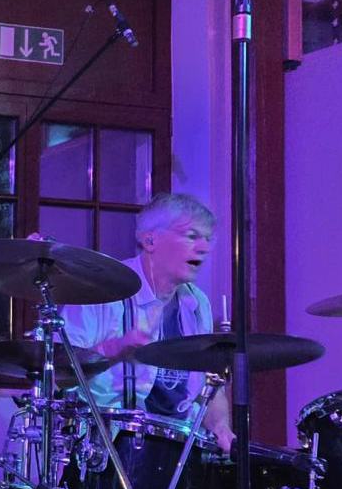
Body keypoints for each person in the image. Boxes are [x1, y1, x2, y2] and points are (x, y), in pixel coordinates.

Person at [62, 193, 235, 450]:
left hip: (177, 452)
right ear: (150, 240)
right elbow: (59, 373)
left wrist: (221, 428)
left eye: (208, 239)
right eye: (191, 236)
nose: (204, 247)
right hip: (105, 449)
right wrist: (115, 348)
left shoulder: (197, 304)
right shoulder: (101, 291)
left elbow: (208, 387)